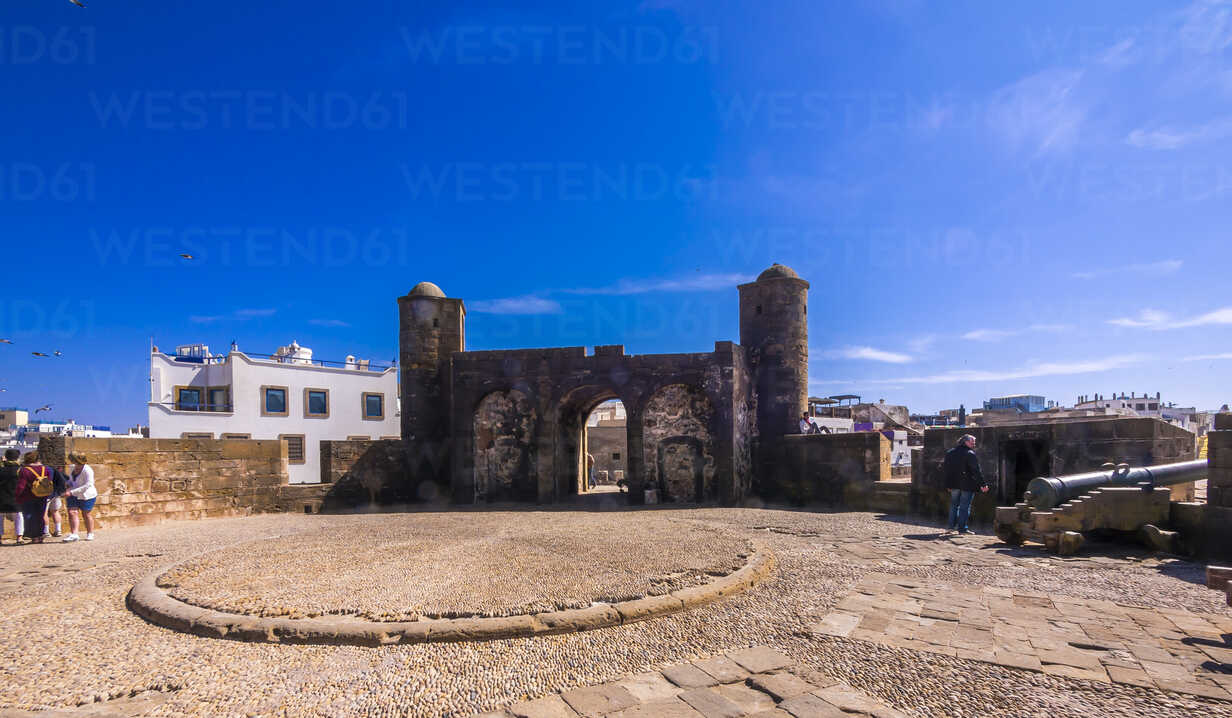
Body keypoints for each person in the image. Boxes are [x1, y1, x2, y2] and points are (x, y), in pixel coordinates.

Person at [943, 434, 988, 535]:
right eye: (972, 442)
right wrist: (983, 484)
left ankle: (950, 527)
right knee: (964, 507)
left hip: (953, 484)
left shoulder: (950, 453)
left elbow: (946, 470)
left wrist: (948, 484)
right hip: (967, 485)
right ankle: (962, 529)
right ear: (966, 442)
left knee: (954, 505)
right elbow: (976, 471)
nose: (974, 444)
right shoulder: (970, 453)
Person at [15, 451, 62, 544]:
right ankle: (41, 536)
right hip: (42, 496)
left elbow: (21, 485)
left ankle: (35, 537)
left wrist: (17, 496)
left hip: (28, 496)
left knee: (30, 517)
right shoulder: (45, 469)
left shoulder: (25, 470)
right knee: (40, 516)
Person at [62, 452, 97, 542]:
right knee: (72, 512)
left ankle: (90, 533)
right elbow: (71, 480)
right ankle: (74, 534)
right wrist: (68, 484)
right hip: (73, 493)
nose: (72, 463)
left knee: (86, 514)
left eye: (73, 461)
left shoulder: (87, 470)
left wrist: (71, 492)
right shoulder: (72, 467)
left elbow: (88, 485)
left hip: (86, 495)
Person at [0, 448, 22, 545]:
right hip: (16, 497)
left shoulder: (1, 470)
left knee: (0, 518)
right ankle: (19, 537)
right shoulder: (21, 470)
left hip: (2, 497)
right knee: (19, 517)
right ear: (17, 458)